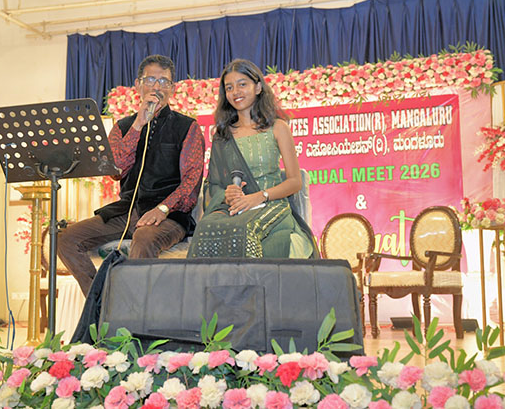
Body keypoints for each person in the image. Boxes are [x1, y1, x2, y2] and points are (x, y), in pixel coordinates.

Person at [58, 54, 205, 296]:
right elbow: (116, 170)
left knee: (144, 237)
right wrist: (138, 124)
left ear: (172, 88)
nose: (157, 87)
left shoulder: (187, 127)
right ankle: (101, 302)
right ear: (138, 85)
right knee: (66, 239)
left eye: (164, 81)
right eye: (150, 80)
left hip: (168, 214)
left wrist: (162, 209)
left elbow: (191, 183)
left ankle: (137, 311)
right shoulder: (123, 127)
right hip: (126, 212)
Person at [187, 59, 317, 259]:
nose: (235, 92)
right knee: (205, 229)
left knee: (246, 232)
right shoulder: (223, 136)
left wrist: (260, 196)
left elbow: (294, 182)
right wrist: (227, 195)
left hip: (270, 205)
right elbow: (214, 186)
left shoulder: (278, 128)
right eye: (229, 87)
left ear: (257, 87)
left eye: (242, 84)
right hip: (235, 208)